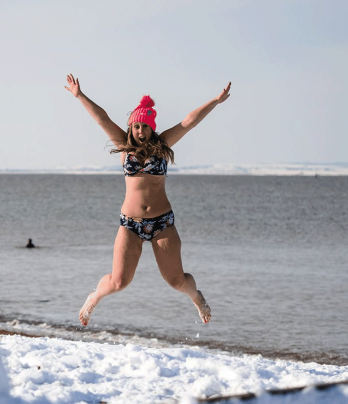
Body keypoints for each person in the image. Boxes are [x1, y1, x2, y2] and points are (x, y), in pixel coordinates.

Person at [64, 74, 231, 326]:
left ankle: (196, 297)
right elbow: (102, 118)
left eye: (144, 126)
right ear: (131, 128)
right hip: (130, 223)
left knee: (176, 280)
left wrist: (216, 101)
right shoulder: (124, 147)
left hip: (162, 223)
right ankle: (94, 297)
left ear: (152, 127)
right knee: (119, 282)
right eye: (136, 126)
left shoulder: (163, 146)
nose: (140, 131)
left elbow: (188, 122)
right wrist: (80, 96)